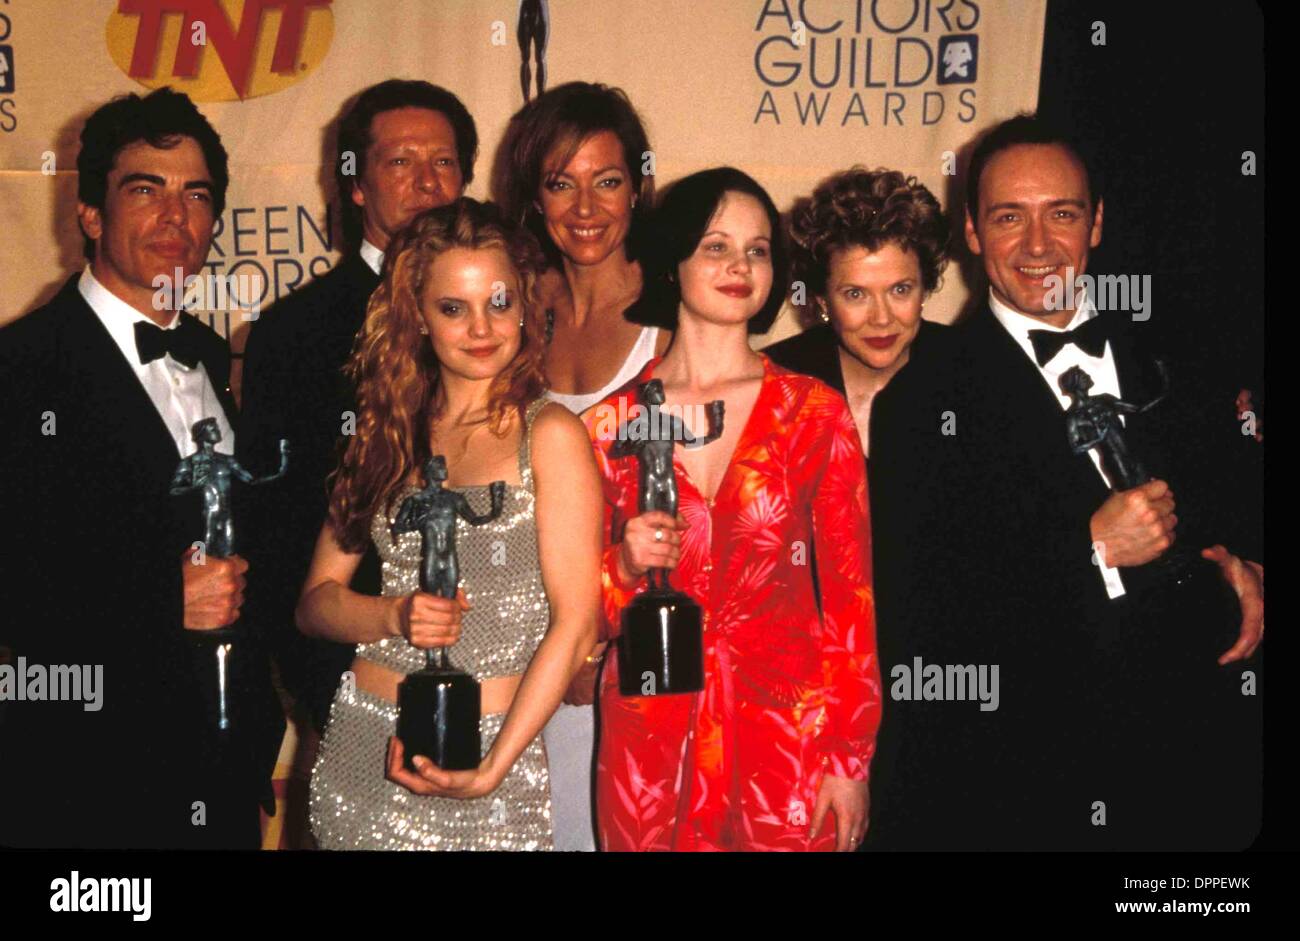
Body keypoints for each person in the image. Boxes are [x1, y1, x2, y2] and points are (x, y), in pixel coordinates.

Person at [869, 114, 1264, 850]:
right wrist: (1088, 550)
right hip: (1024, 794)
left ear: (1098, 223)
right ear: (974, 234)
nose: (1039, 245)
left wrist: (1252, 566)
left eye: (1063, 213)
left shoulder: (1180, 356)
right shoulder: (920, 405)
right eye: (1009, 217)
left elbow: (1236, 494)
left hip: (1190, 781)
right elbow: (921, 625)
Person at [0, 88, 283, 848]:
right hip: (86, 790)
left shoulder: (214, 356)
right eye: (145, 190)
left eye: (196, 195)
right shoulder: (22, 368)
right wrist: (162, 599)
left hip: (222, 784)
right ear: (90, 214)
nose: (175, 216)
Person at [587, 167, 880, 851]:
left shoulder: (814, 412)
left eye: (757, 249)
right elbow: (574, 607)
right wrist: (623, 564)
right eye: (716, 246)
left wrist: (847, 756)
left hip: (786, 735)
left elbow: (851, 601)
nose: (740, 266)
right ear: (673, 257)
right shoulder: (606, 427)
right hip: (649, 731)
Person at [297, 198, 602, 850]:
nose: (482, 327)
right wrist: (394, 616)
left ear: (524, 303)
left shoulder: (548, 435)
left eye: (499, 301)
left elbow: (578, 623)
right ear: (417, 316)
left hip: (492, 757)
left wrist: (495, 767)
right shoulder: (386, 433)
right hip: (363, 752)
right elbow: (315, 604)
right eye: (453, 307)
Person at [238, 80, 477, 739]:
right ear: (357, 184)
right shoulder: (295, 332)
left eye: (445, 162)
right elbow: (272, 524)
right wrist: (321, 686)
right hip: (351, 688)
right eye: (400, 161)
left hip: (495, 674)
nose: (427, 182)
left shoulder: (507, 319)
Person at [499, 80, 670, 850]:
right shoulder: (509, 308)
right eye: (560, 184)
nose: (586, 208)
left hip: (629, 647)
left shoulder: (679, 312)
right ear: (534, 197)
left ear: (639, 183)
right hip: (511, 640)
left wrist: (597, 641)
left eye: (606, 181)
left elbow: (702, 508)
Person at [764, 168, 952, 458]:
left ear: (924, 289)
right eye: (855, 294)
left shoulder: (971, 372)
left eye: (900, 290)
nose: (881, 318)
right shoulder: (776, 382)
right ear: (822, 300)